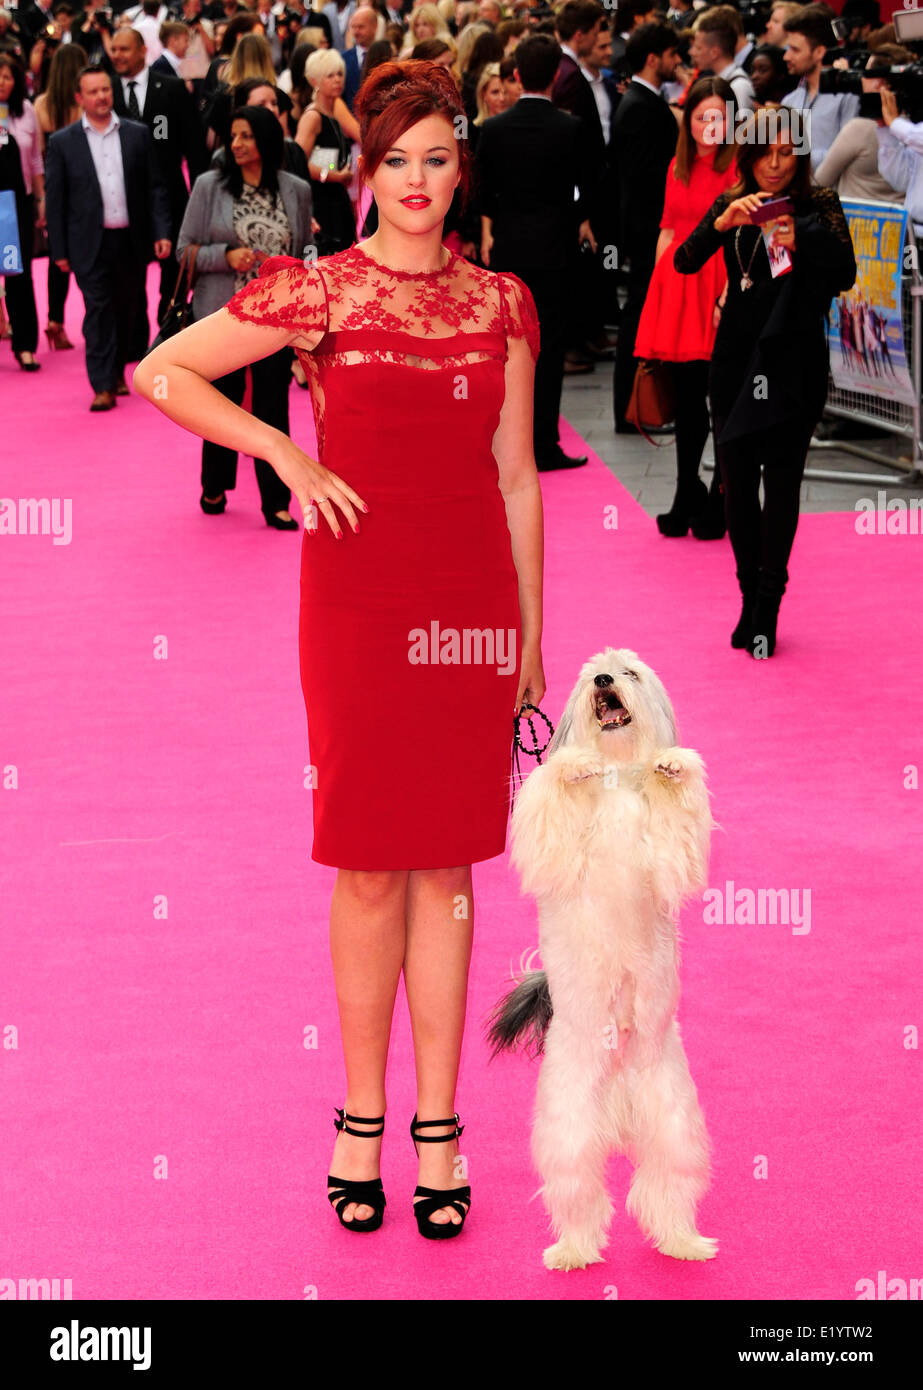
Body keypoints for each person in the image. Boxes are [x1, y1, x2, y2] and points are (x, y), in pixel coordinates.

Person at [134, 57, 544, 1239]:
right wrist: (282, 449)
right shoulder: (318, 291)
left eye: (435, 158)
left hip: (469, 609)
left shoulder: (503, 301)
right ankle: (359, 1116)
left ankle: (442, 1128)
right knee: (367, 863)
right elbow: (158, 370)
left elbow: (517, 479)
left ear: (459, 168)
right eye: (394, 161)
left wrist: (525, 640)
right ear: (363, 172)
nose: (415, 182)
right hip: (358, 606)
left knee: (449, 871)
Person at [674, 105, 856, 658]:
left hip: (791, 363)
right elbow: (684, 261)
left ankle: (768, 605)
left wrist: (795, 233)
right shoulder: (734, 201)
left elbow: (845, 273)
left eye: (787, 154)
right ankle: (749, 591)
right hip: (733, 360)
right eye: (765, 153)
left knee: (780, 485)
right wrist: (723, 223)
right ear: (748, 154)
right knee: (734, 483)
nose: (775, 165)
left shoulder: (816, 204)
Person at [175, 104, 313, 527]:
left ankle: (276, 501)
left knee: (274, 408)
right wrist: (225, 256)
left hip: (275, 319)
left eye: (245, 136)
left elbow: (307, 249)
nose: (235, 144)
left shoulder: (295, 189)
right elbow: (185, 250)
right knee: (221, 403)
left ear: (266, 141)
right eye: (232, 136)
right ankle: (214, 485)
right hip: (222, 317)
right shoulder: (209, 186)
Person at [476, 33, 596, 470]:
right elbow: (591, 188)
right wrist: (572, 216)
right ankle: (543, 444)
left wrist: (490, 231)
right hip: (556, 252)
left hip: (507, 251)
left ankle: (504, 444)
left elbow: (482, 194)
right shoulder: (571, 128)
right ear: (556, 75)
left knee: (505, 351)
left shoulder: (492, 129)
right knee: (547, 349)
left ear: (517, 75)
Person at [634, 76, 739, 539]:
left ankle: (724, 493)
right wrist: (656, 296)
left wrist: (732, 292)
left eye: (719, 117)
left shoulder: (740, 168)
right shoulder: (677, 164)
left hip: (721, 284)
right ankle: (685, 490)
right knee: (689, 402)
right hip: (678, 284)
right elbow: (667, 227)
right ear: (688, 119)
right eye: (702, 117)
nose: (710, 126)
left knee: (726, 400)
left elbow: (744, 235)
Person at [44, 63, 172, 410]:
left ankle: (115, 372)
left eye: (105, 90)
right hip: (88, 243)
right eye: (93, 92)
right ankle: (102, 384)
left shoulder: (137, 134)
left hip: (131, 239)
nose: (101, 97)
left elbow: (155, 188)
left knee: (126, 308)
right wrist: (59, 250)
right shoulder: (62, 142)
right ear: (79, 97)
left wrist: (162, 231)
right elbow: (55, 201)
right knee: (98, 310)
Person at [109, 25, 209, 335]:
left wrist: (200, 196)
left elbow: (194, 148)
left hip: (171, 196)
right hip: (123, 200)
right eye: (113, 49)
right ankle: (133, 334)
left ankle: (166, 324)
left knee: (174, 269)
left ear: (142, 50)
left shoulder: (171, 88)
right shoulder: (106, 92)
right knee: (128, 271)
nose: (117, 55)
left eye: (124, 49)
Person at [609, 22, 680, 433]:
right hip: (645, 231)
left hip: (645, 230)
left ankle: (637, 408)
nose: (677, 62)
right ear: (654, 58)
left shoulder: (642, 102)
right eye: (672, 55)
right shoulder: (640, 106)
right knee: (637, 320)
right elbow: (642, 179)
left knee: (641, 319)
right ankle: (631, 409)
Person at [33, 41, 87, 353]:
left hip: (54, 189)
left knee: (58, 259)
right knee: (87, 256)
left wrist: (41, 196)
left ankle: (56, 321)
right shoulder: (83, 106)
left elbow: (38, 158)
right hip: (82, 190)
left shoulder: (41, 104)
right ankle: (97, 316)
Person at [814, 45, 911, 204]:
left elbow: (820, 181)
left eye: (865, 73)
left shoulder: (859, 129)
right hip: (903, 224)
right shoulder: (913, 127)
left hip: (855, 223)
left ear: (878, 82)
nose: (860, 79)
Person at [0, 53, 44, 370]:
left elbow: (37, 161)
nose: (1, 82)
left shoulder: (27, 111)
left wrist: (41, 199)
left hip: (18, 207)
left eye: (7, 77)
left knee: (19, 275)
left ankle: (25, 345)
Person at [781, 3, 859, 172]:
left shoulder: (847, 97)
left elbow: (849, 155)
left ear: (818, 52)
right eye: (787, 49)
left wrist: (796, 157)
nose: (786, 56)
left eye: (795, 50)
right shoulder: (789, 100)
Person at [294, 47, 357, 256]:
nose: (337, 80)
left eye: (339, 74)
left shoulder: (333, 114)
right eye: (330, 75)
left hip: (336, 197)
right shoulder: (313, 116)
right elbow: (299, 161)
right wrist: (333, 175)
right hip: (320, 202)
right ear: (315, 81)